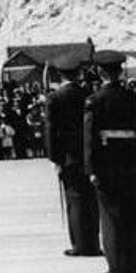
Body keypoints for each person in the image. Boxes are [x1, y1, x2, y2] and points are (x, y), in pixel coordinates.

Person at [84, 51, 136, 273]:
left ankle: (117, 266)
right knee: (131, 214)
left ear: (99, 71)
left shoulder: (94, 101)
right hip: (131, 164)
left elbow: (90, 140)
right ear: (120, 71)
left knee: (110, 216)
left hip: (107, 165)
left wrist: (91, 169)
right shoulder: (132, 98)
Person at [44, 54, 99, 256]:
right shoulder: (89, 94)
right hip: (88, 153)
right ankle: (93, 243)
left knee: (75, 200)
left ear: (60, 75)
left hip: (68, 155)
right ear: (78, 73)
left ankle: (80, 245)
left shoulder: (54, 98)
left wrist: (54, 158)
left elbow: (51, 130)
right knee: (91, 200)